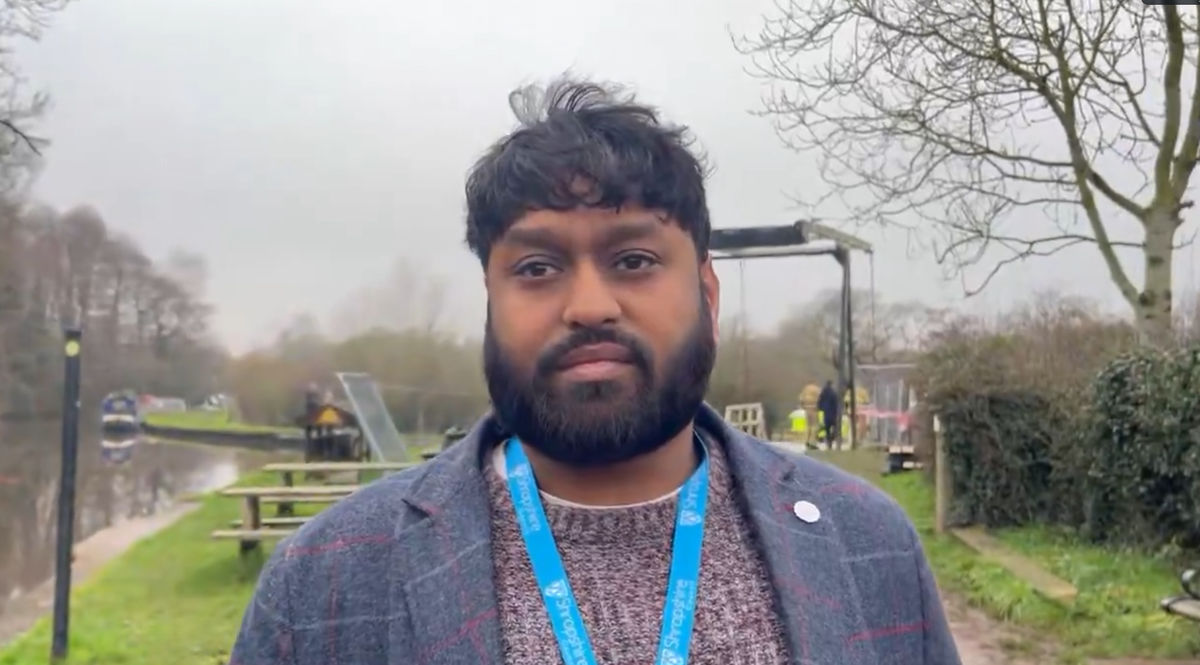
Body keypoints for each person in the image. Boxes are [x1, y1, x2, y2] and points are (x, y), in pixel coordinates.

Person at [229, 77, 960, 665]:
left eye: (634, 260)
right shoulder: (321, 585)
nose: (588, 305)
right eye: (538, 266)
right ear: (491, 299)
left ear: (706, 291)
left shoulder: (872, 545)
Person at [818, 379, 840, 445]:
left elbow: (820, 401)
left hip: (826, 412)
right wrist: (837, 411)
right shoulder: (833, 393)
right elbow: (836, 403)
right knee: (835, 427)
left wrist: (821, 408)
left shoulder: (823, 392)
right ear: (831, 384)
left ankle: (828, 441)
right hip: (833, 412)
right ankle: (832, 438)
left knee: (827, 428)